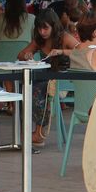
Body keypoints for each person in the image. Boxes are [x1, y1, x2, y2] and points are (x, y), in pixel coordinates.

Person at [18, 9, 78, 146]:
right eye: (39, 28)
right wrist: (27, 55)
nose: (42, 32)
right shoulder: (39, 40)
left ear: (53, 26)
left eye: (45, 28)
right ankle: (33, 130)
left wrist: (62, 51)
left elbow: (82, 51)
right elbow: (20, 55)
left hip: (63, 80)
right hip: (48, 79)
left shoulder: (65, 37)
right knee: (26, 87)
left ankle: (39, 132)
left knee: (37, 89)